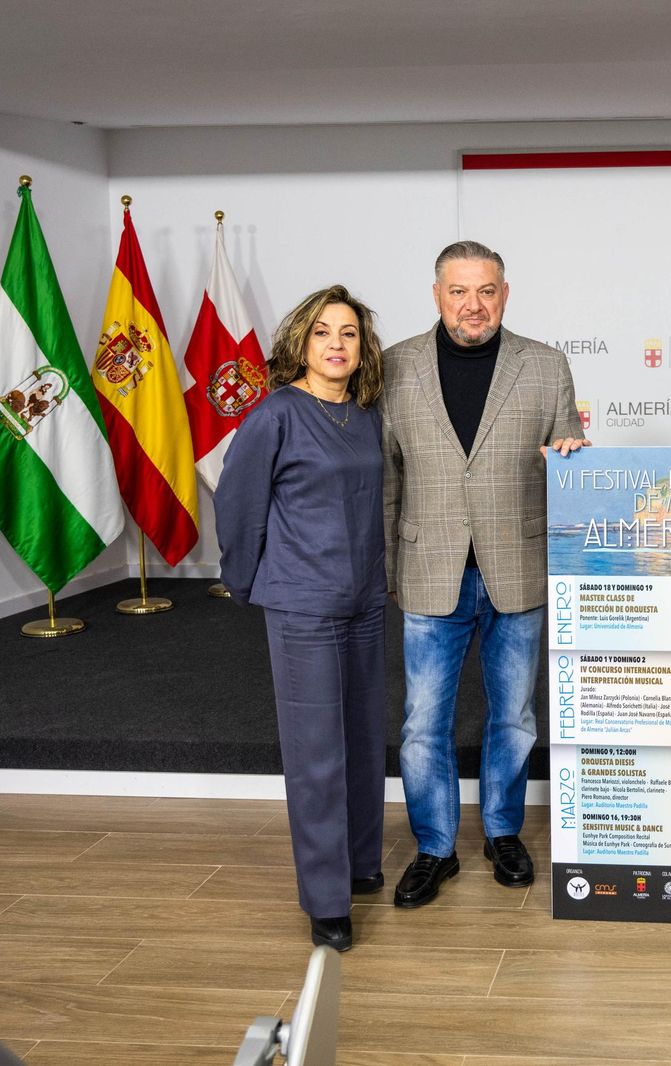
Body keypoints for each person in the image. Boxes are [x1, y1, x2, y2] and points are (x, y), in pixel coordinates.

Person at [383, 240, 588, 906]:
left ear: (506, 292)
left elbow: (568, 467)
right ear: (437, 293)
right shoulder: (393, 368)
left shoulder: (546, 365)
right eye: (459, 291)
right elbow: (386, 478)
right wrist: (388, 564)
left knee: (515, 718)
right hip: (427, 568)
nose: (474, 305)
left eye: (487, 290)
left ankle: (503, 832)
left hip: (520, 567)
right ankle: (435, 847)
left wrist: (576, 463)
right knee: (422, 723)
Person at [215, 285, 388, 952]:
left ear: (362, 347)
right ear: (302, 343)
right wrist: (252, 582)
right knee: (317, 754)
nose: (337, 345)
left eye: (348, 333)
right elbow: (237, 506)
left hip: (365, 600)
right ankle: (325, 901)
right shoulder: (277, 415)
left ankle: (358, 863)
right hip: (304, 606)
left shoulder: (367, 414)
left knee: (363, 741)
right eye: (323, 332)